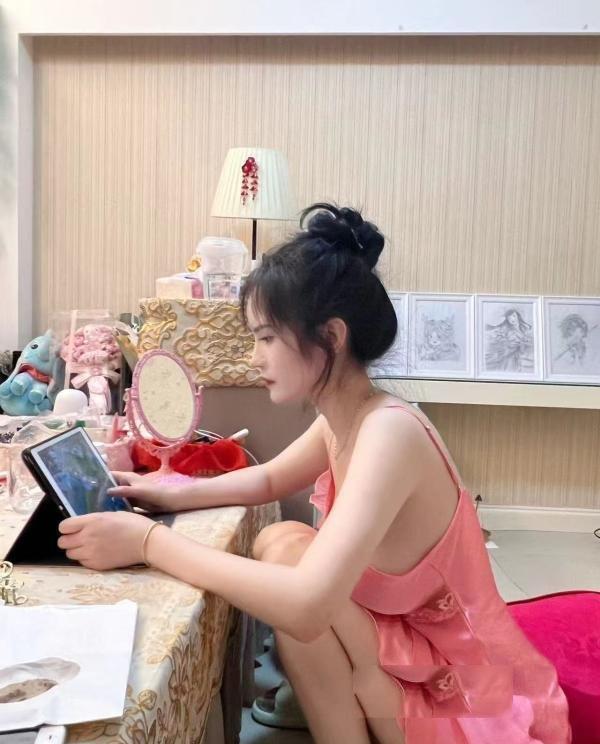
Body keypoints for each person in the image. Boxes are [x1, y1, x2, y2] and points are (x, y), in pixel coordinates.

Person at [57, 204, 571, 743]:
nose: (254, 358)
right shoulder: (348, 415)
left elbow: (305, 607)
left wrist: (148, 542)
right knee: (281, 540)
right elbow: (268, 480)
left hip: (453, 696)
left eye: (266, 338)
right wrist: (167, 493)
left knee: (296, 576)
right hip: (405, 646)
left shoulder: (390, 432)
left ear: (331, 336)